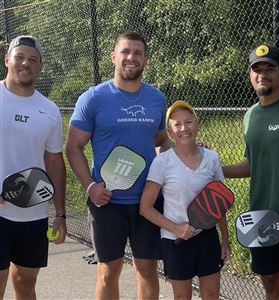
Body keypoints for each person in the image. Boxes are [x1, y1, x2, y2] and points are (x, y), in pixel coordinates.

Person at [66, 31, 171, 300]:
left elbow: (161, 141)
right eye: (125, 52)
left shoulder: (157, 99)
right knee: (108, 270)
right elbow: (73, 147)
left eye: (137, 53)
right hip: (107, 201)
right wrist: (90, 187)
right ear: (114, 56)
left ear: (145, 60)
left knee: (147, 269)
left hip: (147, 202)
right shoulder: (93, 98)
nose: (131, 58)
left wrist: (174, 168)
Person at [223, 44, 279, 300]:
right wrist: (212, 169)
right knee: (270, 282)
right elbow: (252, 164)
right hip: (262, 219)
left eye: (270, 68)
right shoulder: (251, 116)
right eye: (257, 69)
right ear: (250, 74)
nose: (262, 74)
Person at [140, 101, 231, 300]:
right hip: (175, 241)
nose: (184, 128)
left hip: (207, 237)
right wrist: (176, 228)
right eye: (177, 124)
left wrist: (225, 240)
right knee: (182, 297)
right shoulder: (162, 162)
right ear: (170, 132)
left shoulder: (212, 158)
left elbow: (219, 202)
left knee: (212, 294)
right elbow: (145, 208)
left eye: (188, 122)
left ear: (196, 125)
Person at [0, 35, 67, 300]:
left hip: (34, 214)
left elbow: (53, 161)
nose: (26, 63)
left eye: (33, 59)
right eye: (20, 57)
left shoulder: (49, 110)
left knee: (26, 285)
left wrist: (60, 213)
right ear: (7, 60)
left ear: (40, 67)